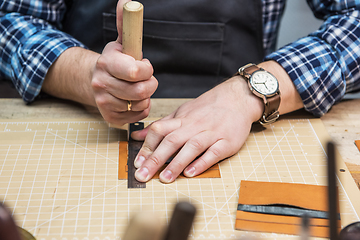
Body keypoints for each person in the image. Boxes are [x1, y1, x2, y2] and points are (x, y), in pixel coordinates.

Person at [1, 1, 360, 183]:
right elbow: (12, 18)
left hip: (242, 117)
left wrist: (252, 91)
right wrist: (84, 74)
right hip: (78, 117)